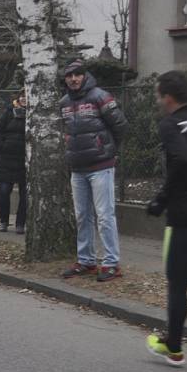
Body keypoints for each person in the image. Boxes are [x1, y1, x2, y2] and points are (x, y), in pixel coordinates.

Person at [145, 70, 187, 367]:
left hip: (185, 219)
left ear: (167, 97)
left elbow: (181, 159)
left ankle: (174, 347)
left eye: (158, 95)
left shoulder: (171, 125)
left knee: (178, 285)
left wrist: (161, 199)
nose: (158, 100)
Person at [59, 60, 127, 282]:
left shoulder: (101, 97)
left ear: (84, 75)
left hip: (101, 167)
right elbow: (66, 131)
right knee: (82, 216)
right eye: (69, 75)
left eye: (78, 74)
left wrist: (108, 150)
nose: (74, 79)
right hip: (77, 169)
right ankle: (86, 260)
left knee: (105, 216)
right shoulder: (64, 103)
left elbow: (120, 126)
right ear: (65, 79)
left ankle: (111, 263)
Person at [0, 88, 27, 234]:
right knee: (3, 191)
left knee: (25, 194)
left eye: (28, 95)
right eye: (23, 95)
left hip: (24, 160)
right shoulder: (9, 111)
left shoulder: (34, 113)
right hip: (6, 158)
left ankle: (21, 223)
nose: (25, 98)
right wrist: (2, 146)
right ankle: (4, 221)